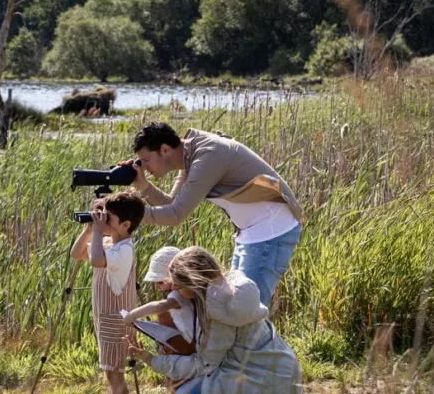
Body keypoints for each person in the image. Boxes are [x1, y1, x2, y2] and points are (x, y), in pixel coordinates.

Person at [127, 122, 305, 307]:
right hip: (250, 233)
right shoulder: (191, 154)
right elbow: (172, 204)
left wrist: (128, 215)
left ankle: (266, 337)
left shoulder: (207, 156)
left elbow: (175, 215)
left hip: (270, 231)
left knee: (247, 311)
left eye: (146, 160)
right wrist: (143, 186)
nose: (144, 167)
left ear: (164, 150)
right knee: (239, 308)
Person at [124, 246, 302, 394]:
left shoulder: (220, 312)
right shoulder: (227, 292)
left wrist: (152, 360)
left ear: (193, 284)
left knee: (187, 392)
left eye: (178, 287)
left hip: (264, 381)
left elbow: (204, 364)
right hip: (283, 370)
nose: (176, 292)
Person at [70, 191, 145, 394]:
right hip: (106, 319)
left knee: (114, 373)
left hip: (115, 322)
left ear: (125, 225)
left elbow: (96, 260)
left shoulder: (124, 250)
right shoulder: (107, 243)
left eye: (108, 218)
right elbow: (76, 253)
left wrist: (96, 231)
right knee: (110, 372)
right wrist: (89, 229)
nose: (103, 221)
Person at [125, 246, 195, 394]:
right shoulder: (185, 294)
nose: (157, 287)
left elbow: (161, 306)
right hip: (183, 350)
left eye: (161, 282)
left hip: (187, 351)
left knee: (179, 386)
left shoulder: (177, 295)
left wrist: (133, 314)